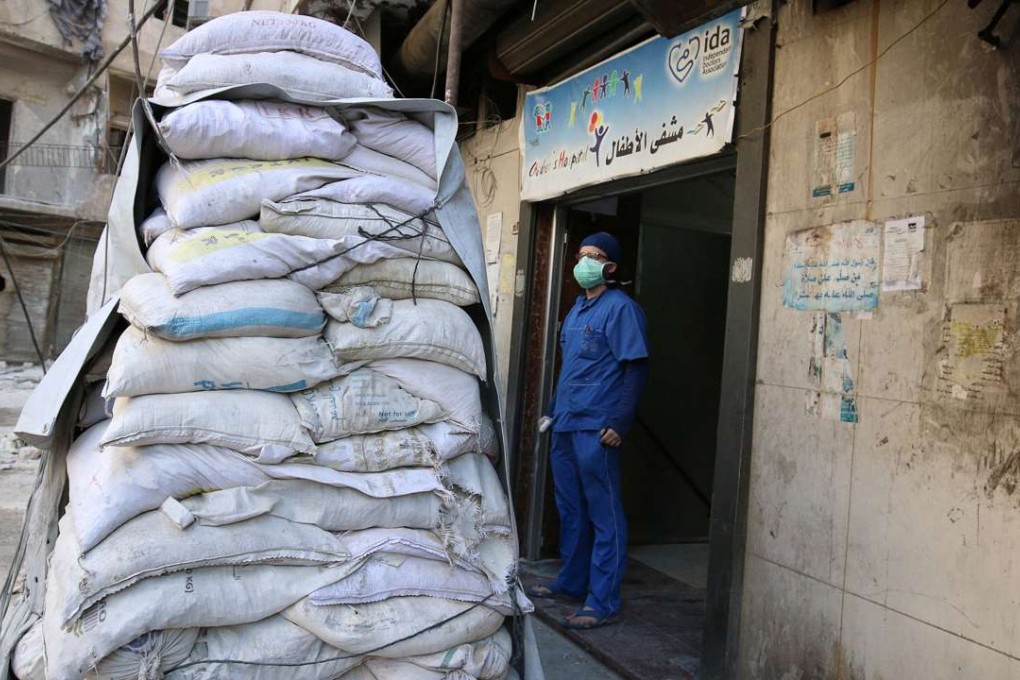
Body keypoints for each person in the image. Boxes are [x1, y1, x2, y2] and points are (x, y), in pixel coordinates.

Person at [527, 232, 649, 630]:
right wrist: (551, 412)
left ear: (609, 267)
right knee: (570, 509)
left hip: (597, 427)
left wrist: (619, 422)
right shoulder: (577, 309)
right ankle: (571, 581)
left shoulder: (621, 309)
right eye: (580, 255)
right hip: (565, 423)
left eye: (592, 256)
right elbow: (572, 370)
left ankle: (602, 600)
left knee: (603, 514)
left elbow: (635, 368)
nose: (584, 263)